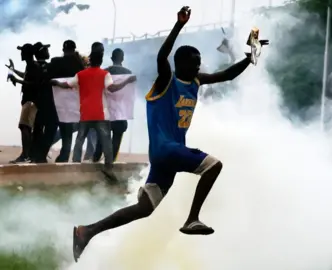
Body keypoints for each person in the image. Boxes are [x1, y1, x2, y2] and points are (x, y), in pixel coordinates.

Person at [71, 6, 269, 262]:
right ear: (181, 64)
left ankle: (87, 231)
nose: (199, 66)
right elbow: (162, 57)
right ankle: (192, 219)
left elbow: (227, 74)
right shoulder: (166, 80)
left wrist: (250, 55)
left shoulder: (196, 81)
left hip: (165, 156)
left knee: (145, 208)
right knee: (213, 165)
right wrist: (178, 25)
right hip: (167, 150)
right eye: (194, 62)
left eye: (199, 63)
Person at [51, 45, 136, 183]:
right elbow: (113, 89)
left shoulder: (82, 74)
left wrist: (56, 82)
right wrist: (127, 81)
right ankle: (108, 167)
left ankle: (77, 166)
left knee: (80, 140)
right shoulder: (106, 74)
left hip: (85, 113)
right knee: (108, 141)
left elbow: (67, 84)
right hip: (101, 114)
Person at [48, 39, 85, 162]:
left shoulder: (56, 62)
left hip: (56, 101)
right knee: (67, 131)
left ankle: (42, 152)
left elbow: (48, 77)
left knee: (53, 129)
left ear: (63, 50)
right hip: (73, 103)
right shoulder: (80, 65)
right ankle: (64, 156)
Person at [92, 48, 132, 162]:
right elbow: (129, 95)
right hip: (120, 112)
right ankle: (110, 163)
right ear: (122, 58)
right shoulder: (129, 74)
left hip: (106, 111)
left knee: (101, 139)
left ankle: (95, 160)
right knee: (116, 139)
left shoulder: (104, 72)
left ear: (111, 58)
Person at [6, 44, 41, 163]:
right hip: (29, 101)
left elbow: (34, 83)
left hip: (31, 101)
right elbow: (27, 77)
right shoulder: (31, 66)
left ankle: (25, 155)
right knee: (25, 127)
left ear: (26, 54)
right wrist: (14, 71)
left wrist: (17, 80)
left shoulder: (34, 66)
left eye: (22, 52)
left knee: (25, 127)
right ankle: (27, 154)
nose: (21, 54)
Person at [29, 42, 55, 163]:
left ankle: (35, 155)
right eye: (46, 50)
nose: (48, 52)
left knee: (38, 129)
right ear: (42, 52)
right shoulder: (45, 67)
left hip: (39, 101)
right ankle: (39, 155)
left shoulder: (35, 66)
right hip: (46, 102)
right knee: (47, 129)